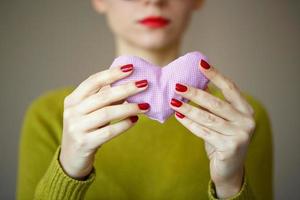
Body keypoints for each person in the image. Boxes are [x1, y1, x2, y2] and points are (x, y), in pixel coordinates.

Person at [16, 0, 273, 199]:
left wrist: (230, 184)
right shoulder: (50, 115)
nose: (153, 1)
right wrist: (69, 169)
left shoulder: (241, 121)